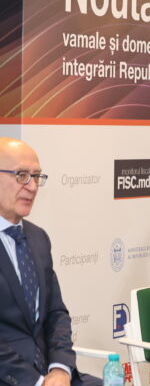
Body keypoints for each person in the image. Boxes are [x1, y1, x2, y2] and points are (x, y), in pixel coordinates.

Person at [0, 138, 100, 386]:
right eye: (22, 176)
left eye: (36, 176)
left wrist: (60, 369)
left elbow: (56, 313)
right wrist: (36, 381)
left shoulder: (37, 237)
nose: (33, 187)